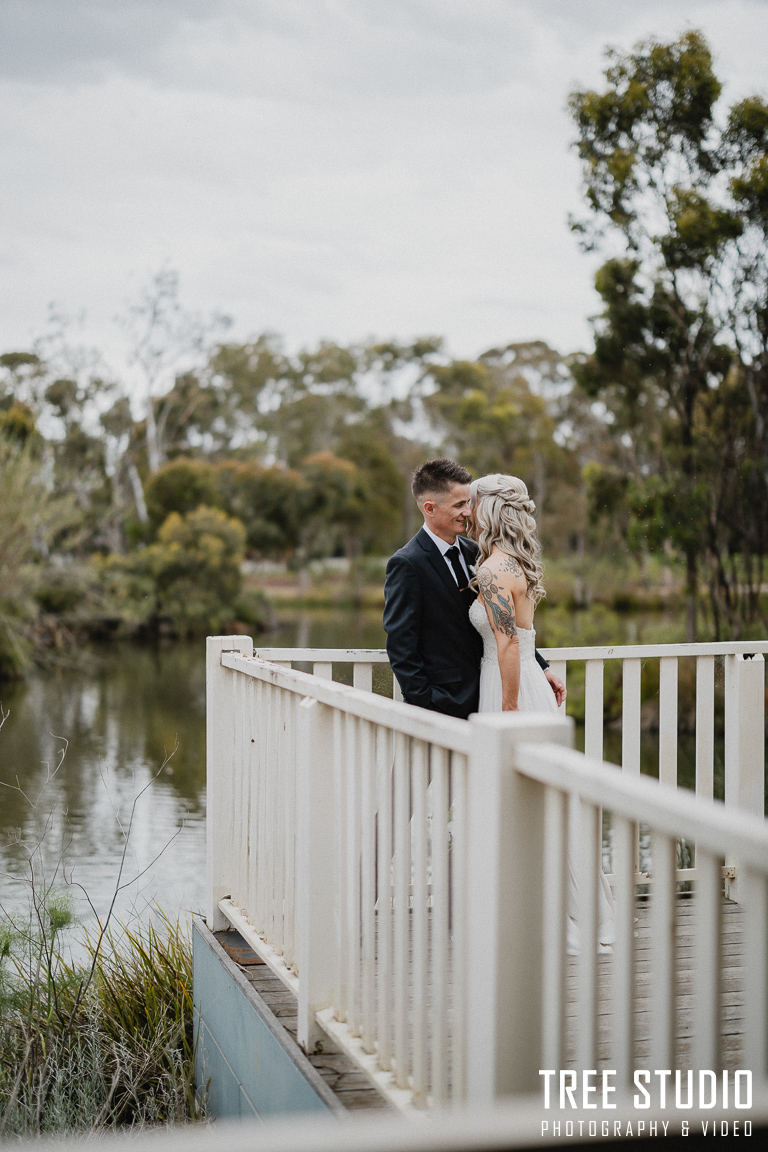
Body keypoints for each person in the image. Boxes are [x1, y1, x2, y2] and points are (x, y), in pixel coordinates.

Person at [468, 472, 613, 953]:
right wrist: (540, 671)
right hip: (526, 678)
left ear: (489, 510)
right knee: (541, 802)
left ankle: (543, 915)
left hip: (508, 686)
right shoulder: (516, 563)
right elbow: (524, 641)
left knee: (519, 801)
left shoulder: (493, 570)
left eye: (473, 504)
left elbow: (508, 644)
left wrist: (508, 710)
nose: (468, 513)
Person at [383, 458, 563, 720]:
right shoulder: (407, 564)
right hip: (443, 705)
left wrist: (540, 666)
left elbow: (503, 625)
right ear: (430, 508)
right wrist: (424, 702)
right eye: (459, 505)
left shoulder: (479, 554)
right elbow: (401, 646)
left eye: (468, 502)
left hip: (490, 692)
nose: (468, 512)